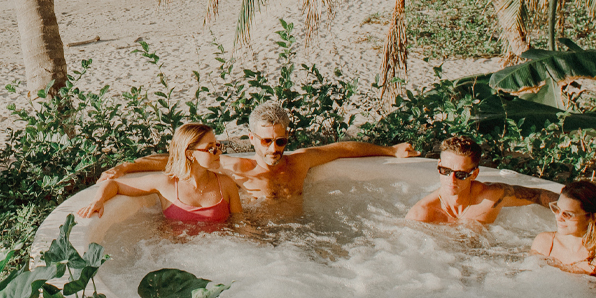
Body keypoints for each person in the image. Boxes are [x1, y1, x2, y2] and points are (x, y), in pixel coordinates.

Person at [92, 100, 415, 204]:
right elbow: (173, 159)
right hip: (260, 240)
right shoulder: (235, 167)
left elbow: (341, 148)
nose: (273, 149)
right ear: (251, 138)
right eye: (266, 141)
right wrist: (126, 167)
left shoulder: (300, 161)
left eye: (280, 141)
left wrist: (390, 150)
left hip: (302, 234)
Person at [77, 123, 243, 225]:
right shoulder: (167, 184)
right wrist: (98, 201)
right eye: (211, 148)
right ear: (190, 154)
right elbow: (114, 184)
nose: (219, 152)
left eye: (218, 146)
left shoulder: (226, 184)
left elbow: (240, 225)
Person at [405, 134, 564, 226]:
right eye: (445, 171)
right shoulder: (421, 214)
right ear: (439, 165)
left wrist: (570, 209)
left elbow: (537, 195)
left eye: (460, 174)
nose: (451, 179)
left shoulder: (492, 196)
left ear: (474, 174)